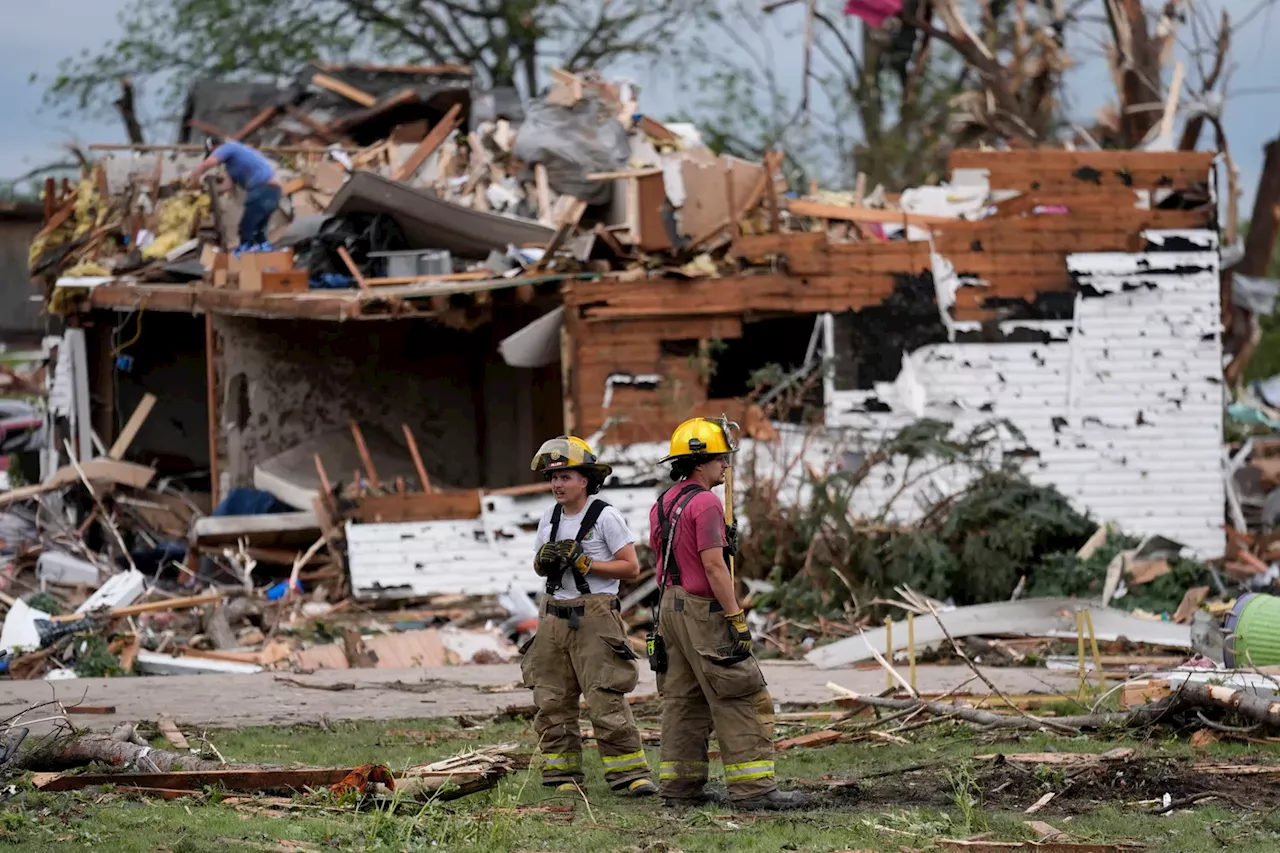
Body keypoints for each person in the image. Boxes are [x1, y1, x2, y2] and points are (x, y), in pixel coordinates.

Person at [648, 417, 809, 811]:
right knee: (739, 691)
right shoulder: (706, 502)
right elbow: (715, 568)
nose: (726, 466)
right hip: (704, 611)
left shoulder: (663, 502)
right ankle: (754, 790)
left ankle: (680, 788)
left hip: (668, 608)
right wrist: (736, 617)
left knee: (683, 700)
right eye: (722, 459)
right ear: (700, 462)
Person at [523, 435, 657, 797]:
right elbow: (539, 567)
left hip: (595, 617)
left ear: (585, 479)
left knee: (605, 697)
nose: (556, 484)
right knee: (551, 699)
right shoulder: (548, 518)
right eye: (552, 478)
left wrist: (587, 563)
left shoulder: (606, 516)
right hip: (552, 617)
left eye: (565, 476)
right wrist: (544, 562)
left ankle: (629, 775)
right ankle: (561, 775)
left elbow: (631, 568)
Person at [187, 137, 282, 249]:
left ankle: (246, 260)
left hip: (263, 189)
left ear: (215, 148)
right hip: (271, 191)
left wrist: (191, 177)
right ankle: (265, 260)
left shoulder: (228, 147)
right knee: (258, 231)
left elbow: (207, 164)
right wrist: (207, 191)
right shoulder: (232, 165)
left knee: (247, 229)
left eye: (213, 153)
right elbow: (227, 186)